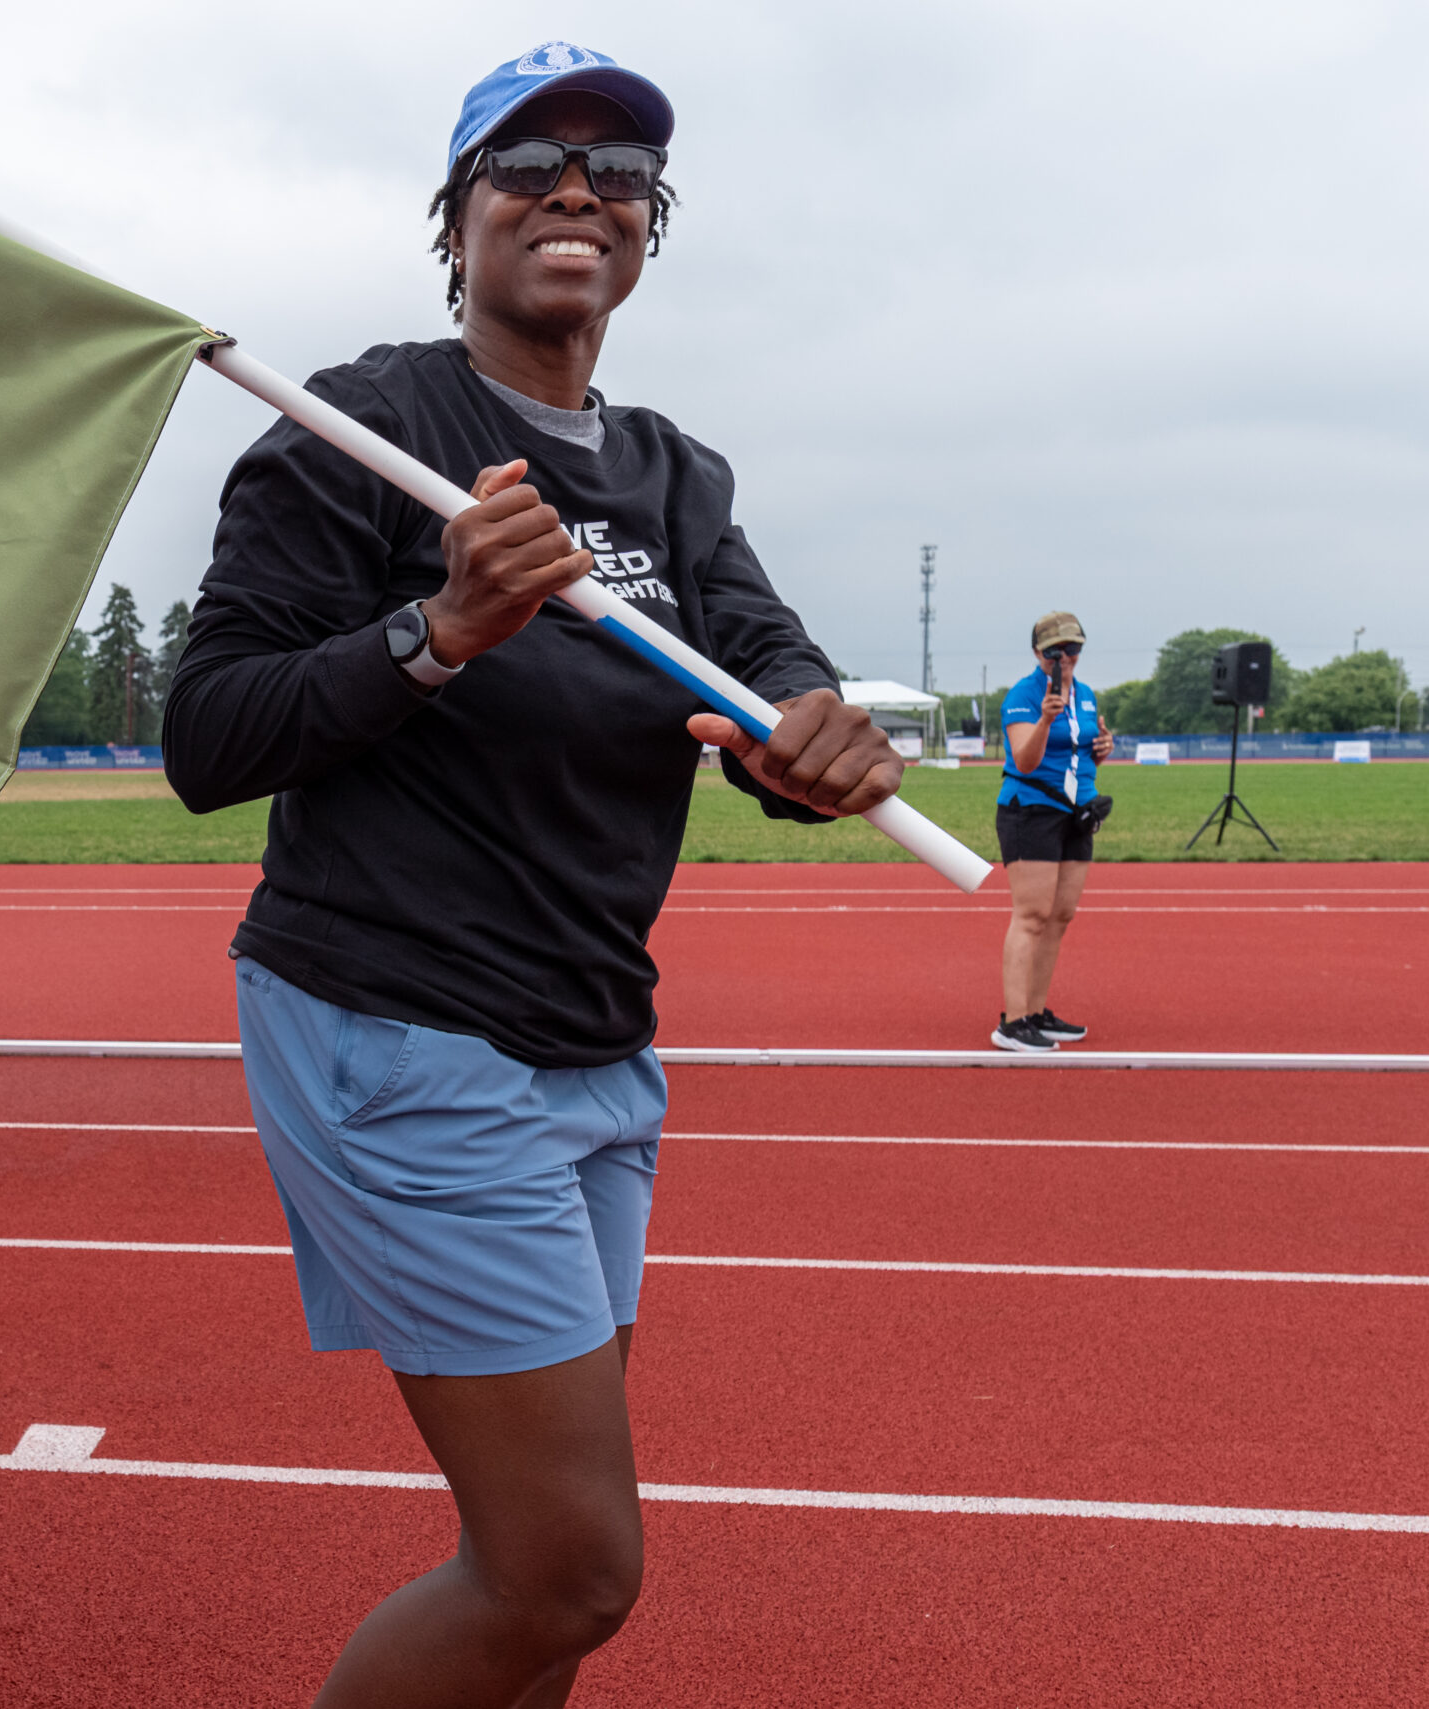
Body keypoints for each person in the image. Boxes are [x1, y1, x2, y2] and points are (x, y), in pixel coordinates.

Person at [163, 43, 904, 1706]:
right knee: (570, 1562)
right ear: (459, 219)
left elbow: (769, 684)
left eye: (621, 172)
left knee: (541, 1582)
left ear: (648, 233)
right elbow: (210, 734)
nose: (579, 189)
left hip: (593, 1037)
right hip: (398, 1023)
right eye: (529, 163)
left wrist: (817, 749)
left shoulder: (670, 472)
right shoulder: (362, 427)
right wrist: (440, 630)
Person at [992, 612, 1112, 1052]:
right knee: (1032, 915)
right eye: (1055, 651)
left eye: (1073, 649)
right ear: (1037, 653)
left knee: (1060, 917)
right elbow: (1025, 760)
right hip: (1031, 811)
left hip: (1076, 812)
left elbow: (1078, 759)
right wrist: (1044, 720)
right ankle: (1013, 1021)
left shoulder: (1086, 696)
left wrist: (1101, 751)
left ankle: (1037, 1011)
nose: (1065, 659)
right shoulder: (1023, 696)